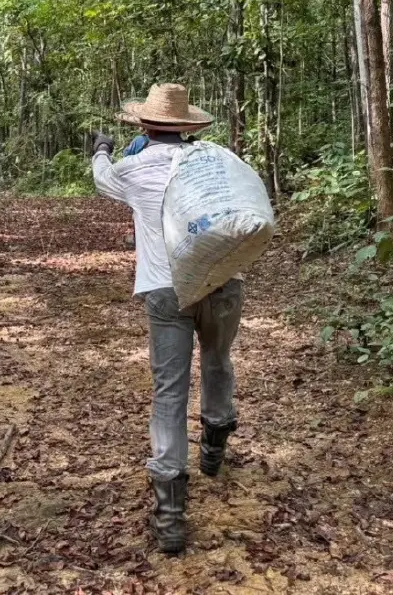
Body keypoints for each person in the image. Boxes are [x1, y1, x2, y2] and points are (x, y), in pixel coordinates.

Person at [91, 83, 244, 555]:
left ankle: (171, 515)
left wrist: (101, 148)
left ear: (143, 125)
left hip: (164, 289)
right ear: (186, 127)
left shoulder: (133, 169)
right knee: (218, 360)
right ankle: (214, 444)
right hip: (222, 281)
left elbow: (101, 179)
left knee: (169, 391)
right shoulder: (212, 162)